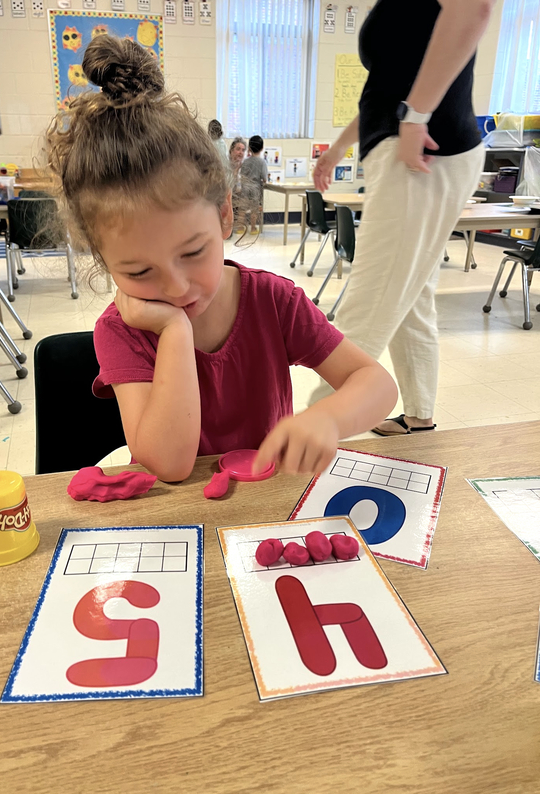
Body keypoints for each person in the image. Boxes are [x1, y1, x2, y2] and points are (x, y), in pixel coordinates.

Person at [45, 35, 397, 482]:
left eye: (193, 252)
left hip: (263, 517)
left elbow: (378, 384)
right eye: (137, 271)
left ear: (225, 214)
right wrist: (173, 330)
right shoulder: (121, 331)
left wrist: (328, 418)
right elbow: (167, 465)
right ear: (102, 259)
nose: (175, 288)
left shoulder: (273, 301)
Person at [312, 0, 494, 435]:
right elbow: (388, 89)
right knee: (410, 299)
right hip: (409, 147)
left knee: (367, 305)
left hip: (423, 152)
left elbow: (474, 9)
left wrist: (416, 117)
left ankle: (310, 440)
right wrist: (337, 150)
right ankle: (419, 415)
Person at [240, 135, 268, 235]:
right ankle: (252, 229)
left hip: (245, 187)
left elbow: (242, 174)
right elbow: (264, 178)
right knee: (254, 209)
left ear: (249, 148)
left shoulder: (245, 161)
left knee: (242, 208)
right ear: (262, 148)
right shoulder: (262, 162)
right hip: (255, 188)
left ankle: (240, 228)